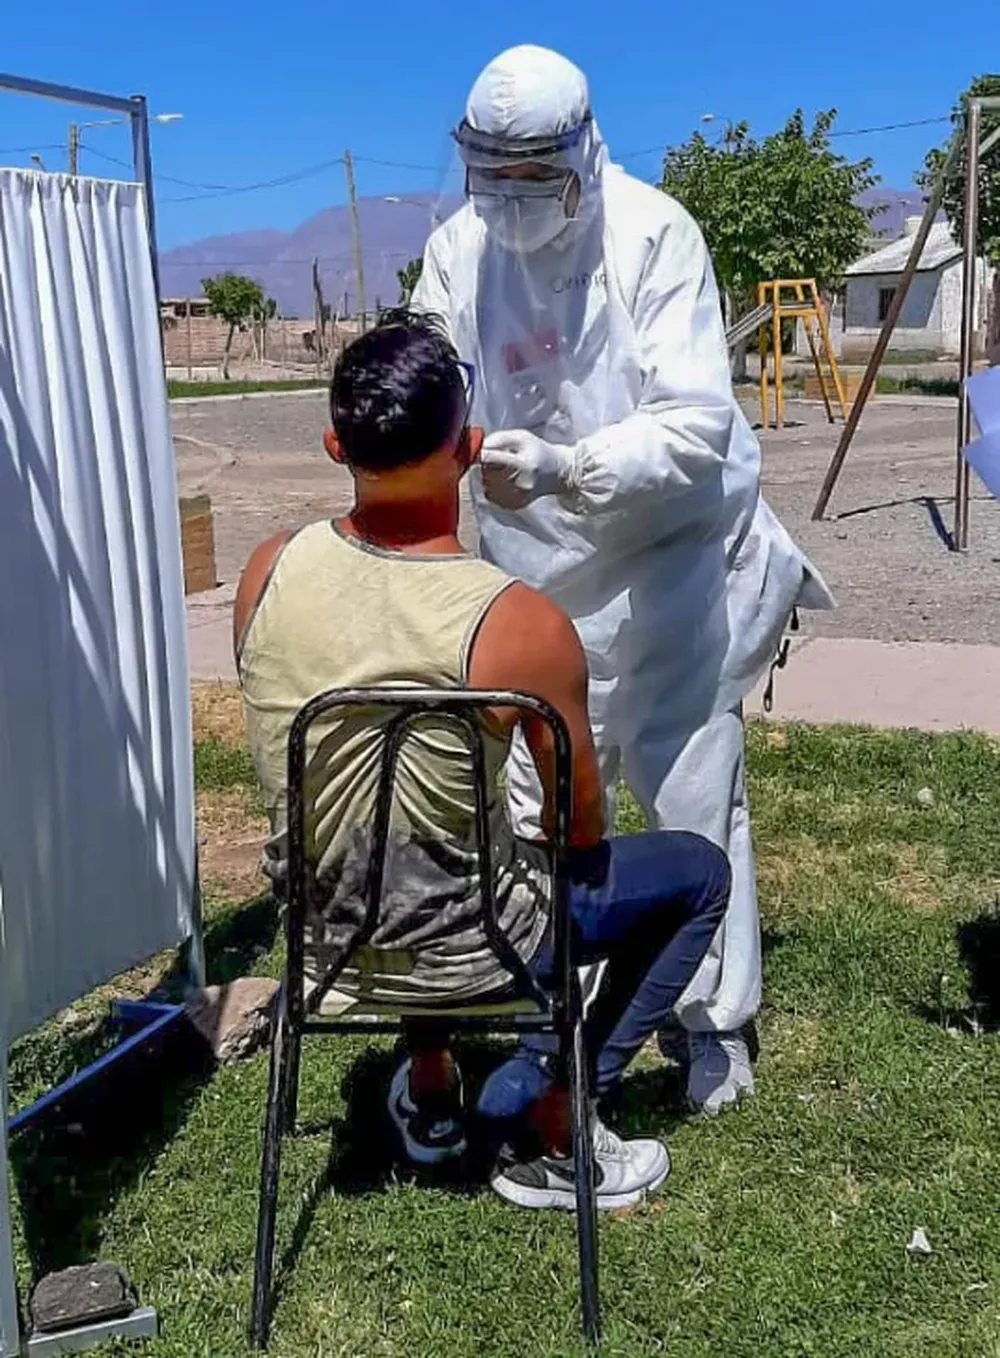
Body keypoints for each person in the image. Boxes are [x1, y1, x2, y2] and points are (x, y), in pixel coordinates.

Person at [411, 45, 834, 1115]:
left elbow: (695, 426)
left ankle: (710, 1024)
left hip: (664, 566)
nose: (507, 204)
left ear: (582, 155)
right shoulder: (458, 249)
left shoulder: (654, 235)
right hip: (531, 575)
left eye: (529, 178)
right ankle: (550, 997)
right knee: (534, 800)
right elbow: (427, 368)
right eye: (488, 176)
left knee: (690, 782)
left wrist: (572, 466)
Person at [234, 311, 731, 1211]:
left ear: (333, 442)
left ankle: (431, 1088)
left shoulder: (266, 571)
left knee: (402, 843)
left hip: (326, 936)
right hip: (474, 947)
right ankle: (559, 1113)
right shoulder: (519, 624)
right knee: (697, 874)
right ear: (467, 449)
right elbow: (579, 826)